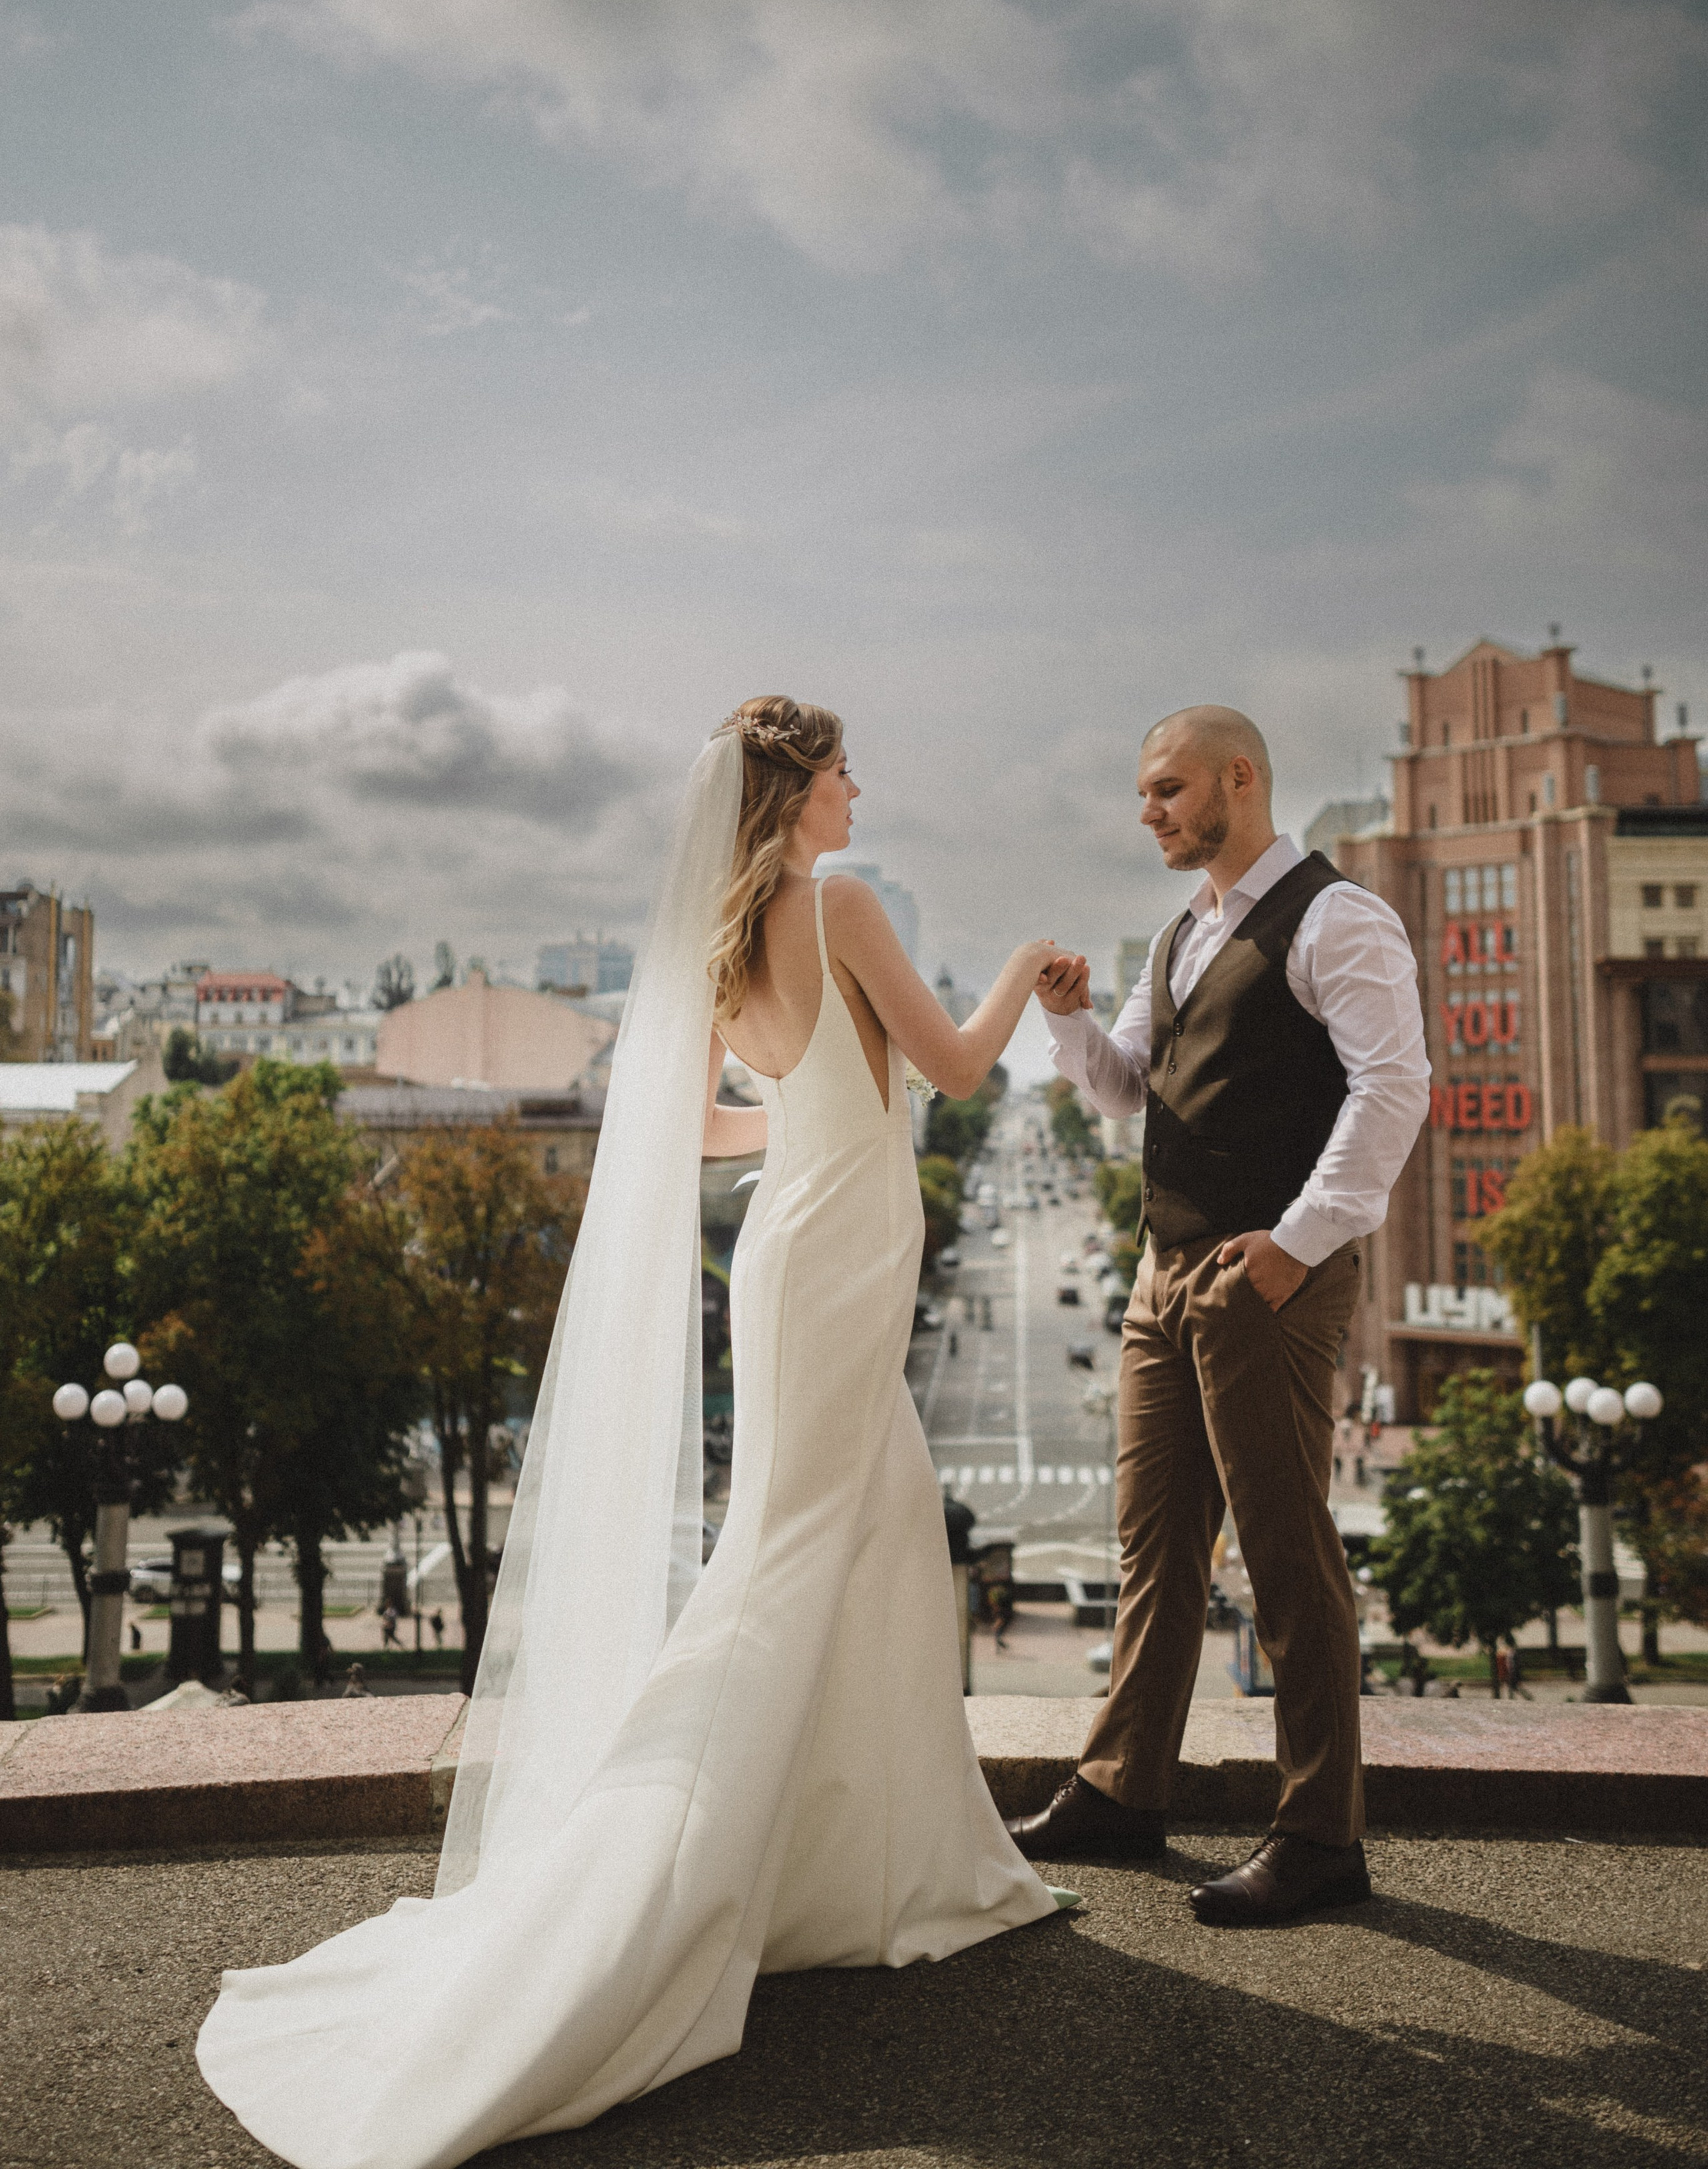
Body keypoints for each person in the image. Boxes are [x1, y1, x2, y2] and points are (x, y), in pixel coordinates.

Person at [198, 697, 1078, 2168]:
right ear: (791, 794)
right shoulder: (840, 902)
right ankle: (667, 1885)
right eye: (843, 770)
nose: (859, 789)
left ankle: (894, 1872)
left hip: (797, 1257)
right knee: (793, 1569)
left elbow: (709, 1126)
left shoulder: (726, 944)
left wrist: (804, 1124)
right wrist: (1019, 973)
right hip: (843, 1260)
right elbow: (963, 1067)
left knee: (868, 1555)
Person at [1008, 705, 1428, 1926]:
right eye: (1144, 795)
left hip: (1264, 1274)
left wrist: (1300, 1246)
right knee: (1156, 1544)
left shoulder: (1337, 917)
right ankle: (1124, 1785)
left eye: (1168, 790)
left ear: (1240, 780)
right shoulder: (1181, 933)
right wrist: (1074, 1018)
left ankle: (1319, 1834)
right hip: (1164, 1270)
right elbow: (1126, 1092)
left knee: (1287, 1550)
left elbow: (1394, 1086)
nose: (1150, 812)